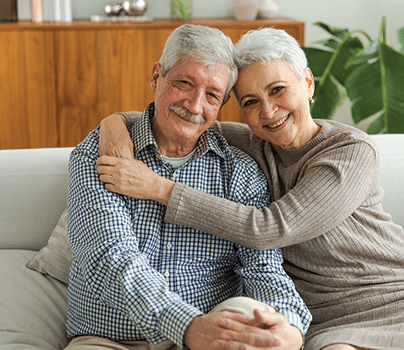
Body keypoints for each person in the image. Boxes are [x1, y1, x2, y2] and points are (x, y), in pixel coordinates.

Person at [97, 28, 404, 350]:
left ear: (307, 82)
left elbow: (270, 228)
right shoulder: (255, 143)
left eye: (278, 90)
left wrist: (159, 189)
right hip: (327, 318)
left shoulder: (350, 151)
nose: (267, 112)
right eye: (250, 102)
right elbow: (181, 115)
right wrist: (112, 122)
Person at [65, 24, 312, 350]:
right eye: (184, 83)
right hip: (109, 339)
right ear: (156, 77)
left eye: (212, 95)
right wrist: (188, 327)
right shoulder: (103, 152)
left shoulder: (239, 172)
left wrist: (291, 325)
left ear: (223, 103)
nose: (195, 106)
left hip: (211, 336)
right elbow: (110, 258)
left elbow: (262, 268)